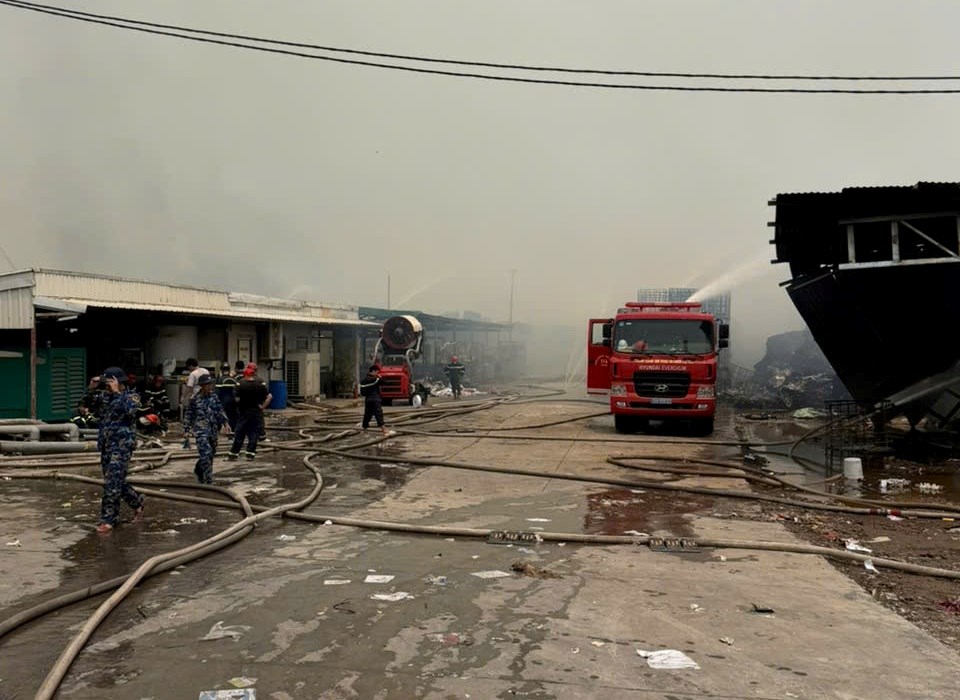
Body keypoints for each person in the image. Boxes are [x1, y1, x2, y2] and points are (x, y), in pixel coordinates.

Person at [95, 366, 144, 534]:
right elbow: (85, 405)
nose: (106, 386)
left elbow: (130, 411)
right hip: (106, 444)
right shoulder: (104, 397)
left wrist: (117, 392)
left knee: (112, 481)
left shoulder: (131, 396)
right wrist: (91, 388)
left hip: (122, 444)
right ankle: (137, 502)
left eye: (108, 382)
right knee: (115, 481)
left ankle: (109, 519)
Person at [184, 374, 227, 483]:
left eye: (210, 384)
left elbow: (219, 410)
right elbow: (189, 414)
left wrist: (225, 423)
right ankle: (208, 479)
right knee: (206, 453)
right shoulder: (195, 399)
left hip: (213, 429)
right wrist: (187, 429)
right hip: (201, 430)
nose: (209, 386)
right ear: (202, 386)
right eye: (207, 384)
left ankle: (199, 470)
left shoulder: (214, 397)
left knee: (211, 453)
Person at [228, 363, 271, 460]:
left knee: (239, 433)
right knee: (253, 433)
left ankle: (233, 454)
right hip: (256, 412)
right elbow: (269, 396)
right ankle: (250, 454)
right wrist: (262, 407)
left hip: (243, 412)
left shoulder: (240, 383)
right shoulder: (260, 383)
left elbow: (236, 399)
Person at [359, 365, 389, 436]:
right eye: (377, 372)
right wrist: (380, 377)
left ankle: (365, 430)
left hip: (368, 400)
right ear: (373, 371)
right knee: (378, 414)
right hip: (375, 399)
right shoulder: (376, 379)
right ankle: (385, 431)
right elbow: (384, 382)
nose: (377, 374)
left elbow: (362, 393)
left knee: (367, 415)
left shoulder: (363, 381)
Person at [215, 362, 239, 432]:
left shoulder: (219, 380)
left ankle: (218, 429)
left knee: (219, 415)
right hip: (233, 402)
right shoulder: (234, 380)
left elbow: (217, 392)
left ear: (221, 370)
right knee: (232, 416)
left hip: (223, 401)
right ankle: (232, 431)